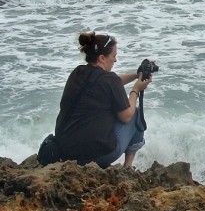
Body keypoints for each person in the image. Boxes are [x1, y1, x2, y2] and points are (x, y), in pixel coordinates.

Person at [54, 32, 152, 168]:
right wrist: (136, 89)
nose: (115, 60)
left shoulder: (78, 73)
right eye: (114, 56)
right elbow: (126, 116)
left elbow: (115, 82)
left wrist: (137, 75)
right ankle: (128, 167)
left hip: (65, 152)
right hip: (97, 155)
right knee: (135, 114)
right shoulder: (108, 80)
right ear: (101, 58)